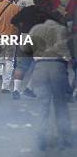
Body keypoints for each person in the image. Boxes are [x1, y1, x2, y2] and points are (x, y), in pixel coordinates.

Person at [21, 14, 73, 151]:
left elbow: (25, 48)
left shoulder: (36, 28)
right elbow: (68, 50)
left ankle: (41, 138)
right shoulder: (62, 29)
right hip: (58, 67)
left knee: (43, 105)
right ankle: (65, 138)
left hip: (40, 68)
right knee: (60, 105)